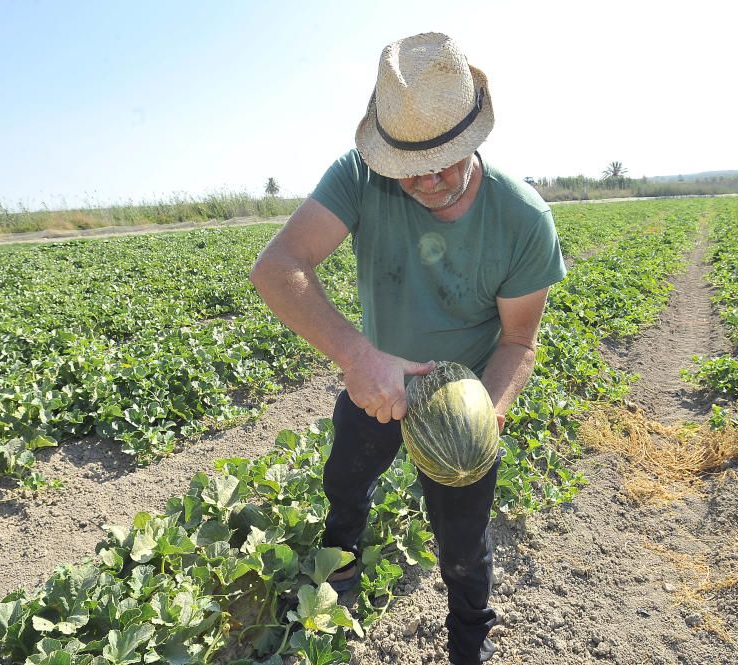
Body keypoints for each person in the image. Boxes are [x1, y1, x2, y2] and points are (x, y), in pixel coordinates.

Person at [250, 32, 567, 665]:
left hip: (462, 395)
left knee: (462, 544)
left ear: (475, 138)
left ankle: (468, 638)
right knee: (344, 483)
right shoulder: (359, 177)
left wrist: (489, 413)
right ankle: (339, 579)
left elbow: (517, 340)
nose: (428, 179)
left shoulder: (524, 220)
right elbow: (277, 265)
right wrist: (357, 356)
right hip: (378, 383)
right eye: (410, 165)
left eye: (446, 159)